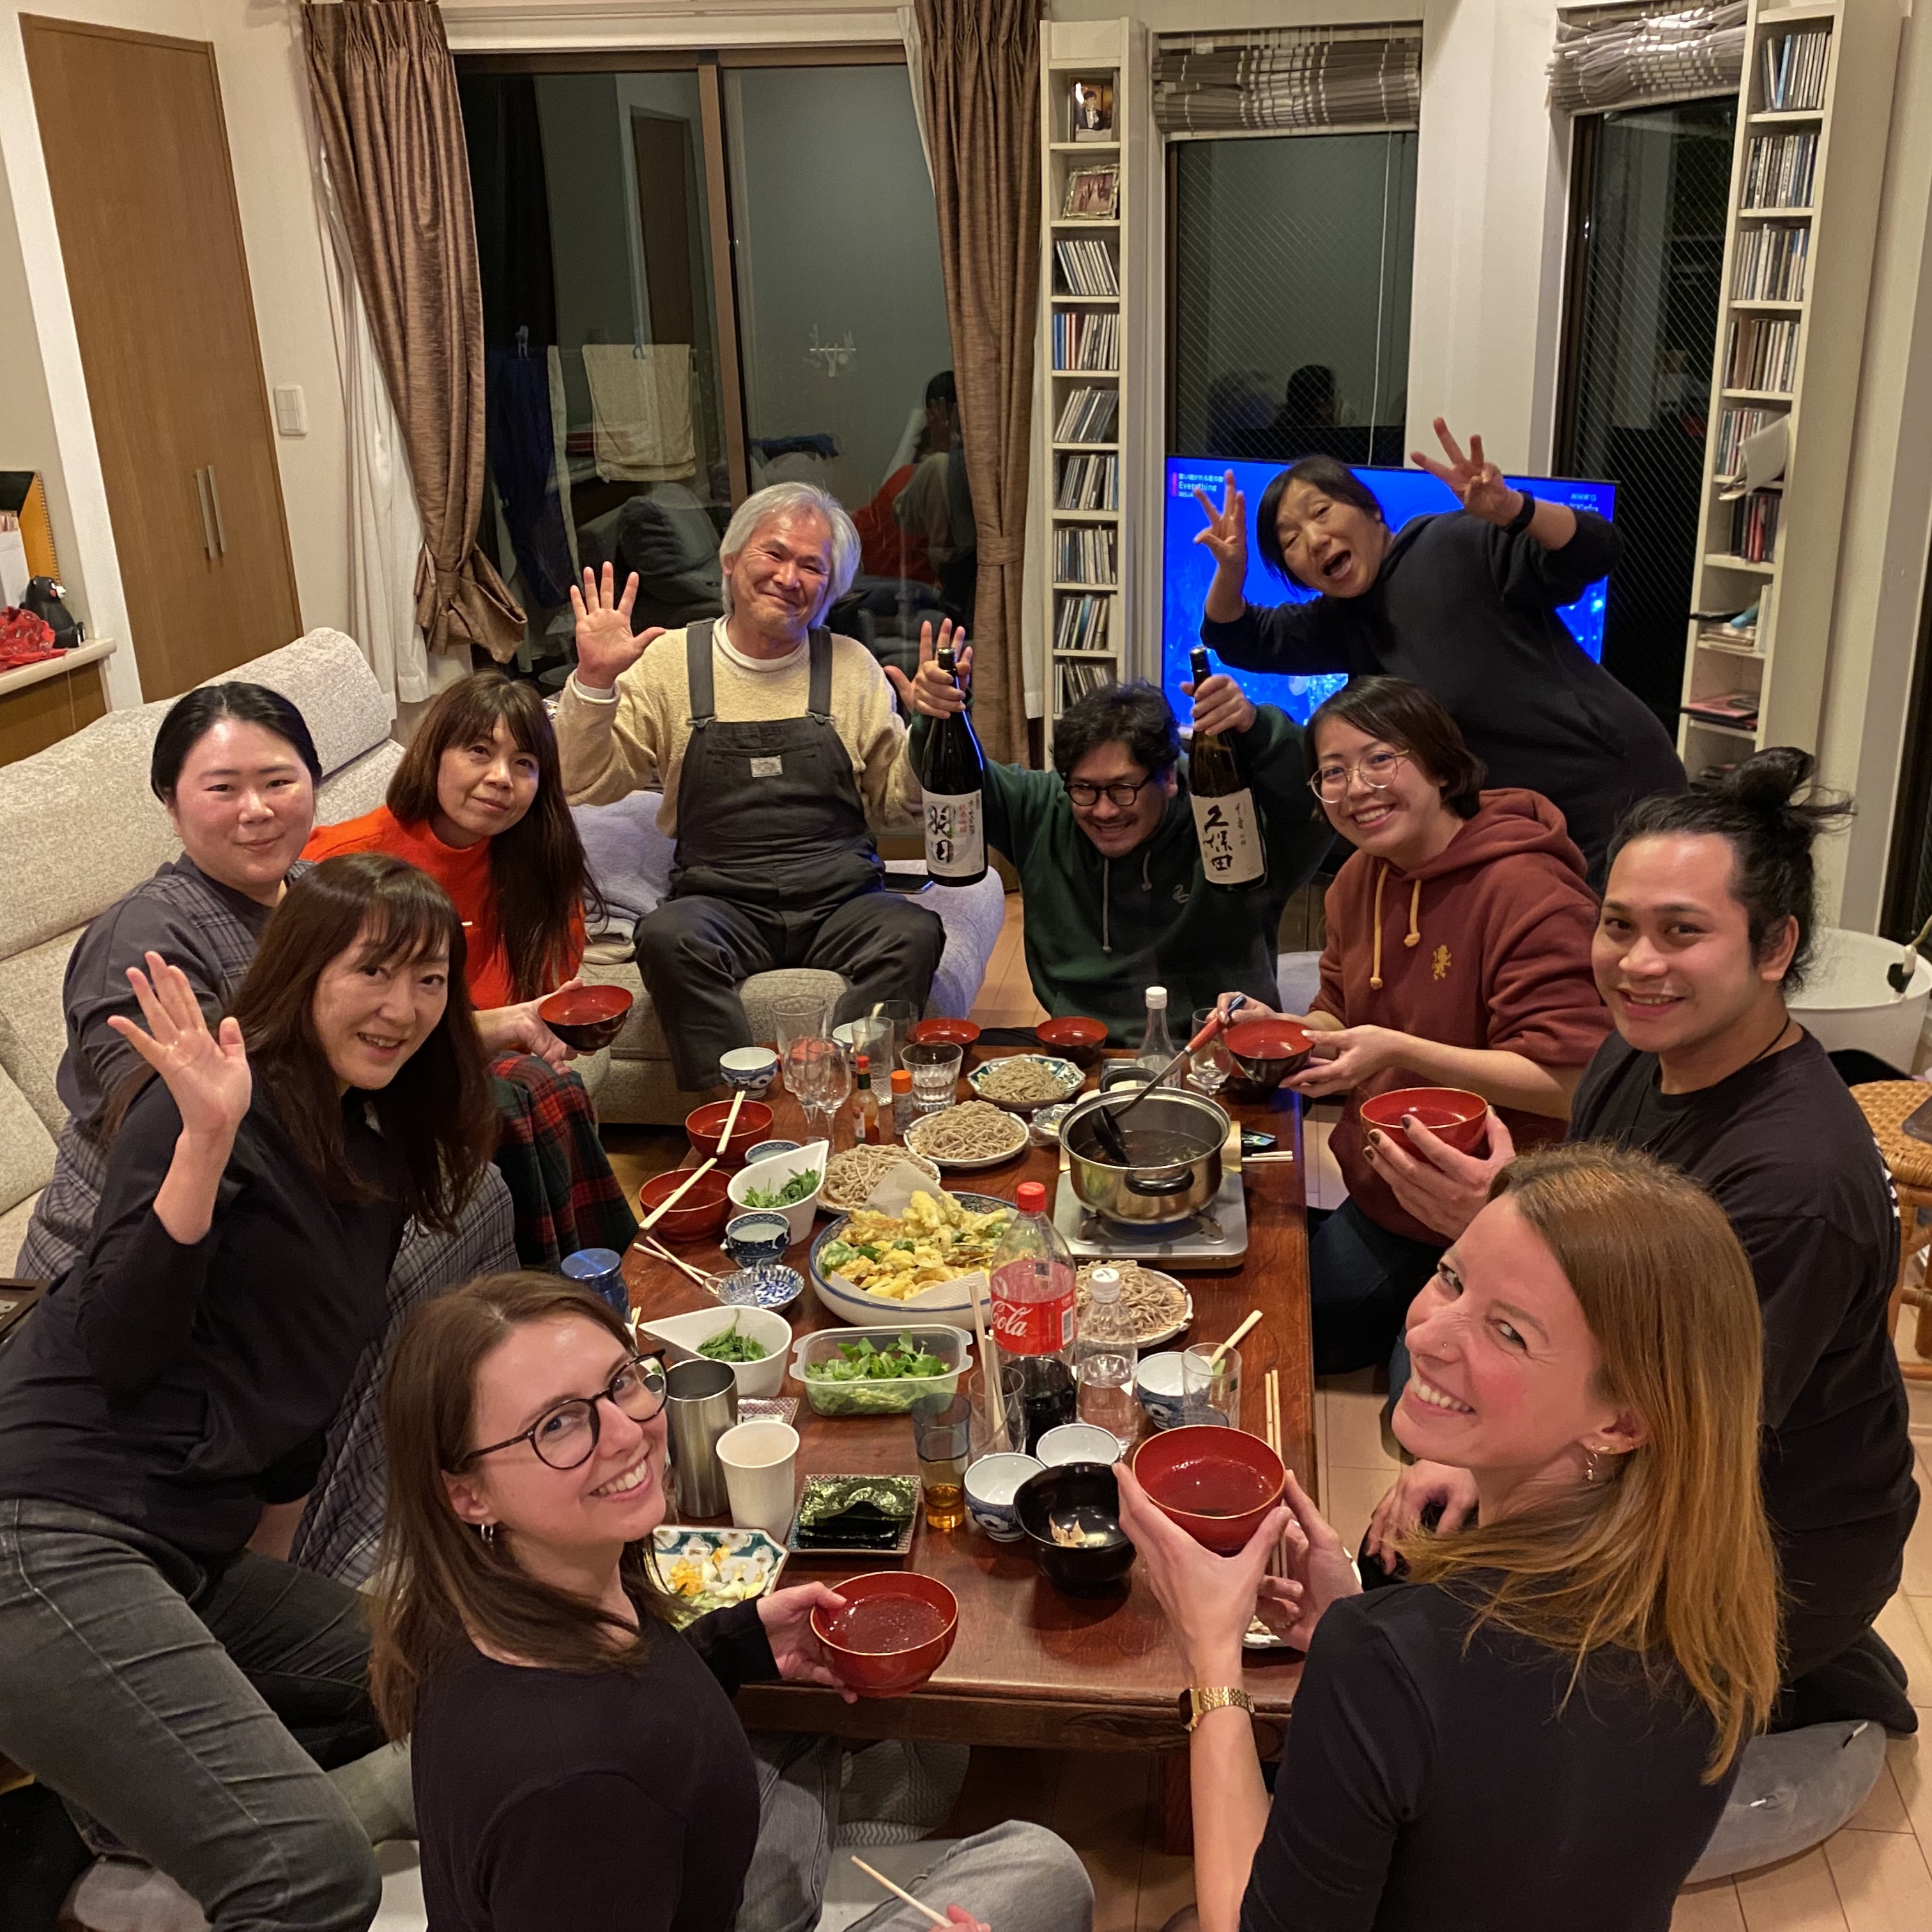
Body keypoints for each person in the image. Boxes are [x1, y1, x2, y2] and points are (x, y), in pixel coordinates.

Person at [1363, 748, 1919, 1742]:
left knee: (1433, 1681)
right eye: (1618, 925)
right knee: (1407, 1500)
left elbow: (1687, 1444)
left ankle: (1804, 1684)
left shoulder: (1792, 1187)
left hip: (1759, 1534)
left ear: (1775, 947)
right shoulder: (1637, 1051)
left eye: (1682, 931)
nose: (1637, 963)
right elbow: (1595, 1258)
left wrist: (1486, 1469)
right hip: (1631, 1433)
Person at [0, 854, 500, 1932]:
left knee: (455, 1668)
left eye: (430, 979)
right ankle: (175, 1858)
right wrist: (204, 1141)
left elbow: (298, 1417)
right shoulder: (208, 1103)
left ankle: (153, 1850)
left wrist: (255, 1605)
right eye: (374, 971)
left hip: (181, 1552)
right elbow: (121, 1341)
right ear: (304, 968)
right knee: (311, 1877)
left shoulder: (370, 1156)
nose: (404, 1007)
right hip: (43, 1527)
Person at [1118, 1144, 1781, 1932]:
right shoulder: (1718, 1611)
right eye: (1452, 1278)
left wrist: (1212, 1655)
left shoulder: (1390, 1659)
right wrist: (1350, 1636)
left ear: (1623, 1421)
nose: (1428, 1334)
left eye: (1509, 1332)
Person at [371, 1271, 1094, 1932]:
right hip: (649, 1866)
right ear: (466, 1494)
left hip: (688, 1878)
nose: (626, 1434)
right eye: (556, 1424)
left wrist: (738, 1643)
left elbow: (627, 1695)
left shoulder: (492, 1595)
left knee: (799, 1738)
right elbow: (603, 1751)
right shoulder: (580, 1795)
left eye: (621, 1381)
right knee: (1043, 1869)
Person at [15, 684, 521, 1585]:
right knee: (358, 1271)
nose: (256, 810)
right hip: (146, 1227)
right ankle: (353, 1542)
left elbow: (373, 1032)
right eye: (223, 788)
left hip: (296, 1173)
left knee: (475, 1168)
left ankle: (481, 1419)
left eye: (279, 781)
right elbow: (163, 1108)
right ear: (170, 802)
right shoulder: (146, 936)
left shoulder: (311, 896)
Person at [1230, 676, 1610, 1377]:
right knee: (1278, 1328)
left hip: (1509, 1211)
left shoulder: (1528, 888)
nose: (1356, 788)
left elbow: (1571, 1083)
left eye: (1381, 759)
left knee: (1429, 1406)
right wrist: (1285, 1031)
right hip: (1391, 1195)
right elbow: (1339, 1012)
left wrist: (1398, 1049)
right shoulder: (1358, 879)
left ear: (1440, 766)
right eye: (1333, 772)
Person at [557, 482, 944, 1094]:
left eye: (812, 566)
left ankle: (842, 1085)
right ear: (731, 559)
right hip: (721, 900)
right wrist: (594, 683)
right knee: (666, 937)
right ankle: (739, 1104)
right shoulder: (670, 662)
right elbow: (583, 781)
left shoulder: (851, 665)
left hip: (840, 899)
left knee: (914, 932)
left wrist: (932, 730)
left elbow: (897, 804)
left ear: (831, 589)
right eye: (775, 554)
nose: (789, 578)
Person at [1193, 420, 1684, 883]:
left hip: (1614, 801)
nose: (1315, 539)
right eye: (1291, 541)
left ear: (1370, 511)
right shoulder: (1339, 621)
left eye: (1321, 513)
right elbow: (1236, 636)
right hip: (1521, 831)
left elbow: (1596, 550)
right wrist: (1232, 571)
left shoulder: (1451, 544)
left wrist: (1516, 509)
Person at [303, 669, 638, 1271]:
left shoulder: (536, 858)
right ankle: (569, 1283)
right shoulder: (347, 863)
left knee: (544, 1083)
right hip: (378, 1070)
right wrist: (499, 1028)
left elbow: (545, 997)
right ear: (434, 754)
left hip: (477, 1056)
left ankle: (603, 1276)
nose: (501, 778)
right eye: (479, 751)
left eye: (525, 763)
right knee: (518, 1093)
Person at [894, 640, 1331, 1039]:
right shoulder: (1045, 807)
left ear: (1168, 778)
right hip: (1079, 1045)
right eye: (1085, 789)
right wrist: (937, 717)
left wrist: (1257, 728)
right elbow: (961, 791)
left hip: (1208, 1046)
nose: (1103, 811)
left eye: (1123, 790)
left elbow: (1312, 802)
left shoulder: (1228, 820)